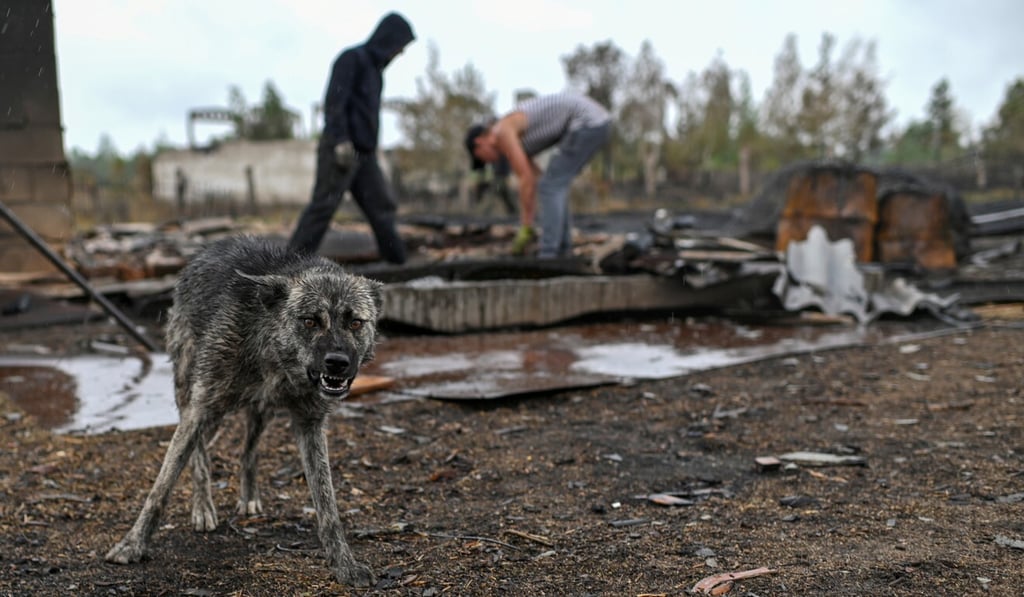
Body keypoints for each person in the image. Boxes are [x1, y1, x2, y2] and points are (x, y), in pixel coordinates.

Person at [289, 12, 415, 264]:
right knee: (322, 208)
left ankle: (398, 264)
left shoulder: (376, 72)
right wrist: (340, 140)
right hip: (341, 149)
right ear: (387, 39)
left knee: (382, 209)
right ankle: (286, 268)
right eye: (399, 46)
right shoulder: (352, 59)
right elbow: (335, 102)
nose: (399, 53)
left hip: (365, 155)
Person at [465, 92, 611, 258]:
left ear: (479, 142)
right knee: (552, 185)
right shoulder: (515, 141)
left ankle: (549, 253)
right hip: (594, 122)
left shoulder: (502, 131)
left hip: (587, 122)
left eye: (481, 158)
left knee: (551, 186)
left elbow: (526, 180)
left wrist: (526, 226)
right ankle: (563, 251)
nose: (487, 162)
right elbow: (534, 180)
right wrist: (528, 220)